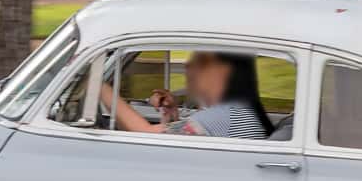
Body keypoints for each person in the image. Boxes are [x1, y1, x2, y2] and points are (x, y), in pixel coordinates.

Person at [105, 51, 273, 139]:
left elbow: (144, 134)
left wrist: (99, 85)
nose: (189, 68)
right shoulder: (238, 110)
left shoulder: (221, 117)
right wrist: (172, 115)